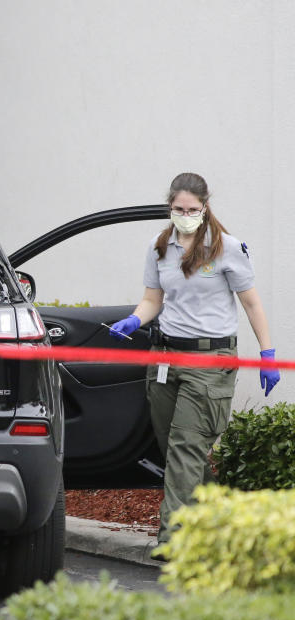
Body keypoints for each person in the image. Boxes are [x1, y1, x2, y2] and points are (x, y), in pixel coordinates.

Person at [110, 172, 279, 555]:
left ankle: (173, 537)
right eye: (178, 209)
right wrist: (136, 319)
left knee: (186, 447)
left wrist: (267, 353)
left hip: (210, 360)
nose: (185, 215)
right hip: (167, 358)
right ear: (169, 207)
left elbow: (251, 303)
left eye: (192, 209)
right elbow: (153, 299)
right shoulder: (158, 247)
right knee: (176, 448)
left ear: (205, 207)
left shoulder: (226, 248)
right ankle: (220, 521)